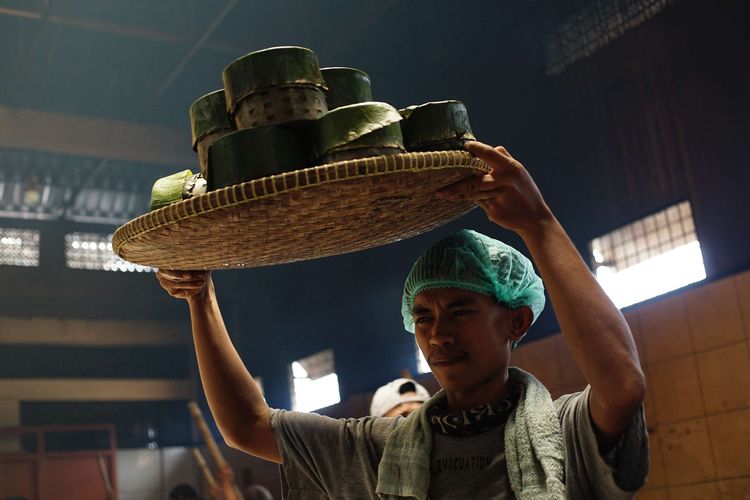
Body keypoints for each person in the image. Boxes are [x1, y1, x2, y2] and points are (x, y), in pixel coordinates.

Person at [157, 141, 649, 499]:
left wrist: (538, 223)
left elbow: (622, 384)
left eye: (461, 310)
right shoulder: (380, 449)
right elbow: (247, 425)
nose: (439, 333)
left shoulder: (563, 433)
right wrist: (201, 299)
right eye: (423, 315)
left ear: (516, 321)